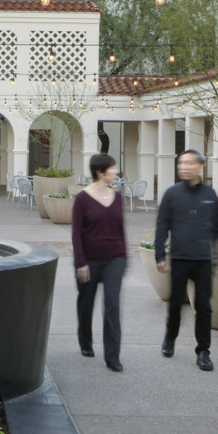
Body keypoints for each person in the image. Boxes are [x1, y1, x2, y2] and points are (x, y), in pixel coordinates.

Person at [154, 149, 218, 372]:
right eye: (181, 163)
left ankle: (203, 351)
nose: (184, 167)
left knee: (203, 307)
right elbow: (162, 225)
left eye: (189, 163)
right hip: (180, 258)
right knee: (175, 304)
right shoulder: (172, 194)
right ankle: (170, 337)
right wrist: (159, 255)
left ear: (200, 166)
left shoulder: (210, 194)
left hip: (203, 260)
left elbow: (217, 228)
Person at [72, 153, 127, 372]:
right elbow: (76, 233)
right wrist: (80, 263)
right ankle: (85, 340)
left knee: (112, 304)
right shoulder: (83, 199)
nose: (116, 172)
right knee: (86, 303)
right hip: (89, 259)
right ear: (100, 172)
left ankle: (113, 356)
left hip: (114, 258)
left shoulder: (118, 197)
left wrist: (124, 258)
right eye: (112, 169)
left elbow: (120, 230)